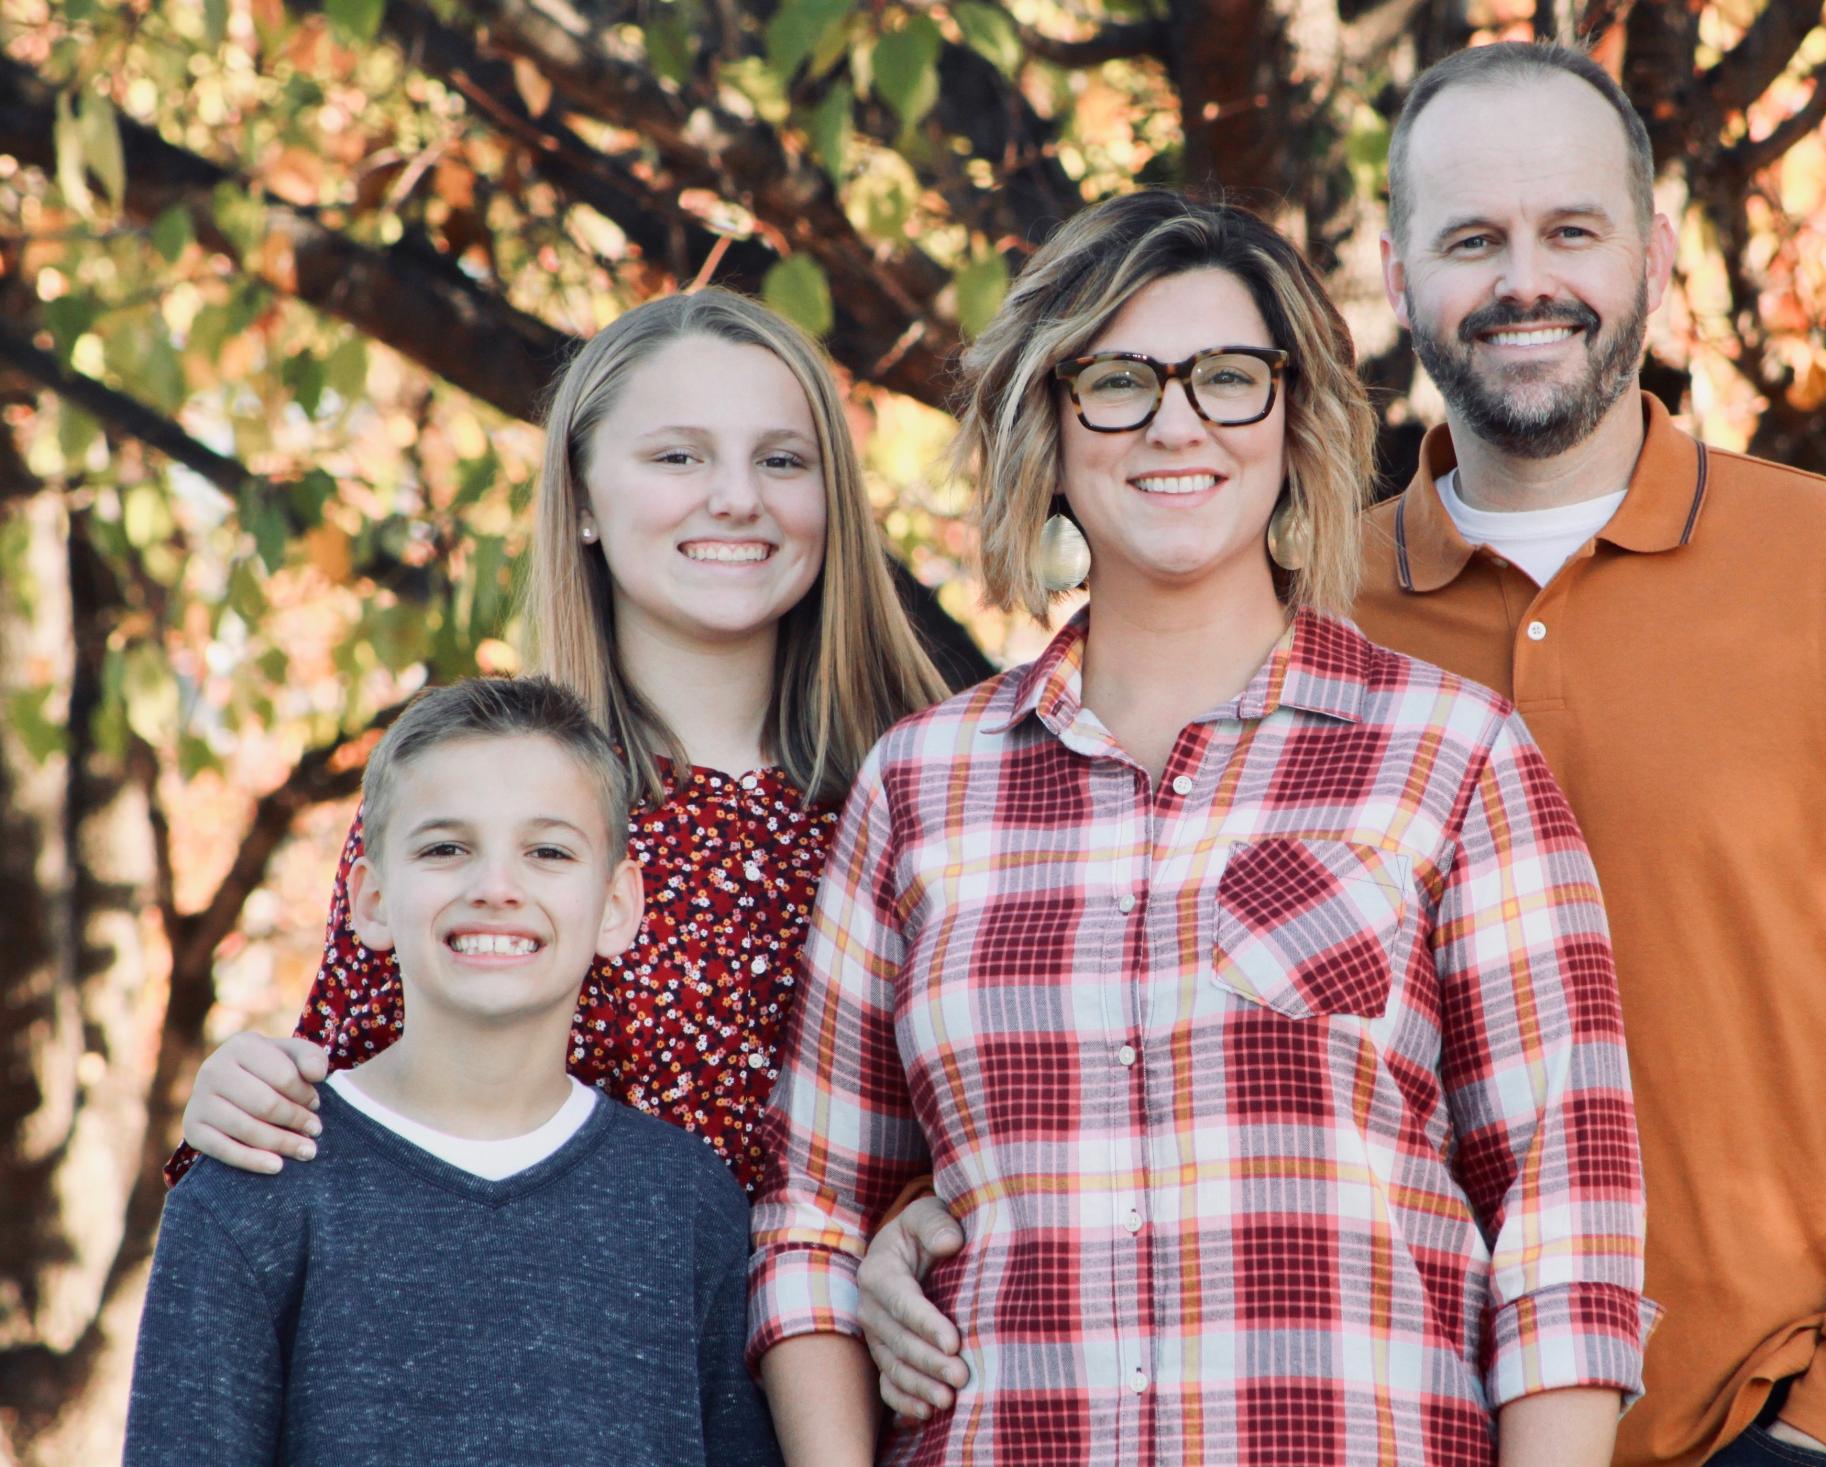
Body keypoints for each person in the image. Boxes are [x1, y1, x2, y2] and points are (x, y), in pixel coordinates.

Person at [862, 44, 1826, 1467]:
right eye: (1471, 240)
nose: (1524, 281)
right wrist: (916, 1225)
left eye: (1570, 230)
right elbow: (1105, 1017)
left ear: (1655, 253)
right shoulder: (1290, 608)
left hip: (1763, 1429)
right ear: (1396, 270)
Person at [747, 191, 1654, 1467]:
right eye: (1117, 380)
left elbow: (1564, 1233)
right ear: (1048, 432)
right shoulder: (921, 788)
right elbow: (816, 1224)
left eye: (1228, 377)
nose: (1177, 422)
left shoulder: (1453, 758)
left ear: (1292, 419)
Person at [166, 287, 948, 1197]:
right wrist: (239, 1103)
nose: (737, 498)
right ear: (581, 498)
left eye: (781, 460)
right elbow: (337, 1134)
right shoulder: (480, 801)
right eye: (678, 455)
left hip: (870, 1336)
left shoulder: (938, 795)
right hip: (554, 1330)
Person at [125, 677, 779, 1466]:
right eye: (445, 848)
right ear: (369, 900)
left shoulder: (688, 1203)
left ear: (615, 905)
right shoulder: (252, 1191)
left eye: (547, 851)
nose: (496, 887)